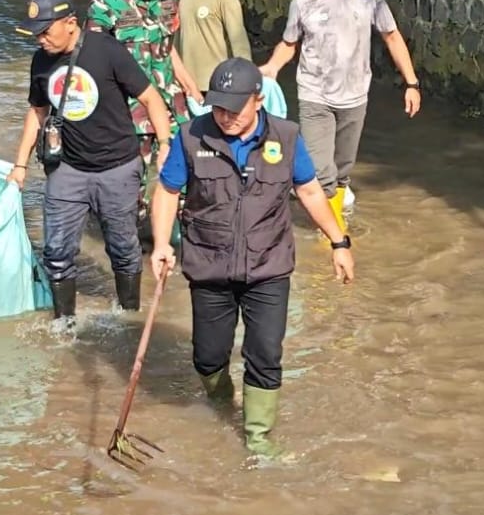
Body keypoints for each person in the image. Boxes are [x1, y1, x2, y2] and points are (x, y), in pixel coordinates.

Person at [151, 58, 355, 457]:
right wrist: (161, 244)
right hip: (209, 264)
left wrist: (339, 242)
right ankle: (220, 400)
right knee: (208, 356)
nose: (224, 116)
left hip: (269, 266)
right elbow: (167, 191)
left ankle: (259, 440)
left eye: (234, 108)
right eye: (218, 107)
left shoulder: (287, 136)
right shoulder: (191, 135)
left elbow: (310, 192)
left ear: (258, 100)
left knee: (265, 354)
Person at [7, 0, 175, 319]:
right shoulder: (41, 61)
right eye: (36, 33)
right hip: (68, 168)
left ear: (70, 22)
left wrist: (166, 144)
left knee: (123, 248)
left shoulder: (107, 51)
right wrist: (20, 164)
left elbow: (151, 99)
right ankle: (63, 325)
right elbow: (37, 112)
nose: (41, 39)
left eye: (46, 30)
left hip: (118, 167)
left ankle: (129, 318)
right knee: (56, 251)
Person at [259, 0, 420, 225]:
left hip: (355, 94)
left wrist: (412, 83)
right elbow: (289, 43)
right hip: (314, 94)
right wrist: (271, 67)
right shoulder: (303, 1)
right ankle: (334, 237)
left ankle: (332, 217)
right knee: (322, 173)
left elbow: (392, 37)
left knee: (343, 170)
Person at [86, 0, 193, 185]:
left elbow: (168, 45)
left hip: (172, 105)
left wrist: (187, 83)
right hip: (129, 112)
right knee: (130, 185)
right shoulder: (105, 6)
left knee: (185, 179)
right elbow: (92, 64)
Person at [175, 0, 252, 116]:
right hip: (185, 85)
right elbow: (177, 37)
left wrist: (245, 85)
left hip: (215, 87)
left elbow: (239, 43)